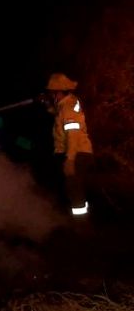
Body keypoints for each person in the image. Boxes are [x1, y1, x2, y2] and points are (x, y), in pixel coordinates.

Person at [44, 72, 94, 217]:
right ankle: (76, 221)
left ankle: (81, 227)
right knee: (72, 188)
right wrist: (47, 105)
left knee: (74, 189)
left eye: (51, 92)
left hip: (77, 154)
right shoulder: (66, 104)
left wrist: (70, 159)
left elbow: (73, 134)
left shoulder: (68, 107)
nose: (50, 95)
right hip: (78, 152)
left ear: (58, 92)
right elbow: (60, 116)